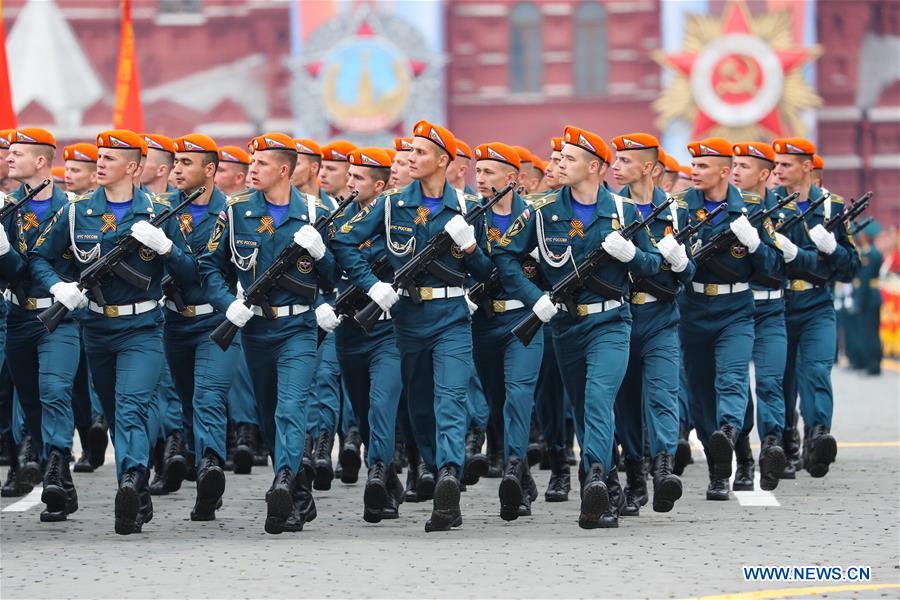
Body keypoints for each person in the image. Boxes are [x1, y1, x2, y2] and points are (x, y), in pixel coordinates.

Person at [494, 125, 661, 529]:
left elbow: (655, 264)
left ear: (595, 167)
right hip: (565, 325)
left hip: (611, 321)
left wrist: (632, 255)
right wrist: (533, 297)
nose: (561, 164)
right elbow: (505, 255)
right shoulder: (541, 210)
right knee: (585, 408)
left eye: (570, 159)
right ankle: (606, 480)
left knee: (599, 398)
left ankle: (596, 481)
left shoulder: (623, 211)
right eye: (561, 157)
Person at [332, 120, 494, 532]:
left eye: (421, 152)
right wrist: (372, 286)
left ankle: (448, 478)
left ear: (443, 160)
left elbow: (489, 272)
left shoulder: (469, 207)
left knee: (450, 398)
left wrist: (470, 247)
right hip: (408, 318)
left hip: (452, 316)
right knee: (420, 408)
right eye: (411, 152)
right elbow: (344, 241)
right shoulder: (391, 204)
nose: (411, 158)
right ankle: (438, 470)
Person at [31, 129, 184, 534]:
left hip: (143, 328)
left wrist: (167, 249)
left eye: (110, 158)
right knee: (116, 412)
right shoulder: (77, 211)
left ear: (133, 167)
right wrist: (59, 287)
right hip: (96, 327)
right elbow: (40, 258)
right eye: (99, 156)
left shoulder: (159, 211)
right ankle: (138, 489)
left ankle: (130, 482)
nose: (99, 163)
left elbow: (191, 273)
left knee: (131, 406)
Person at [199, 132, 336, 534]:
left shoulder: (315, 211)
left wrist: (321, 254)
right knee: (269, 413)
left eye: (261, 163)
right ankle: (297, 491)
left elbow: (333, 277)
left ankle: (283, 484)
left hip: (298, 327)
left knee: (290, 408)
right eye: (252, 162)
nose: (252, 169)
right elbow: (210, 266)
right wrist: (228, 303)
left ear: (284, 170)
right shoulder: (236, 211)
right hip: (255, 327)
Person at [678, 137, 780, 502]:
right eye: (694, 165)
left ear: (724, 171)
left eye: (703, 166)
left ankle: (732, 436)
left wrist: (755, 244)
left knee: (732, 378)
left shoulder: (750, 207)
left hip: (735, 307)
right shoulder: (679, 207)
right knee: (701, 393)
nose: (695, 171)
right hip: (692, 309)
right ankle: (721, 465)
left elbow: (774, 269)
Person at [159, 133, 245, 521]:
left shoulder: (234, 213)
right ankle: (200, 463)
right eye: (175, 162)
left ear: (209, 170)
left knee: (208, 396)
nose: (176, 169)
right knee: (186, 398)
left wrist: (168, 251)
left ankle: (210, 466)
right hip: (175, 321)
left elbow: (201, 269)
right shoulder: (162, 210)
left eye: (186, 163)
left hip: (216, 320)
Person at [610, 132, 690, 516]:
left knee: (662, 394)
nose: (615, 167)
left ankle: (662, 469)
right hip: (621, 318)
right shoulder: (610, 209)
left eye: (625, 160)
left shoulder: (675, 212)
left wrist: (681, 263)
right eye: (615, 159)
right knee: (625, 403)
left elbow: (688, 272)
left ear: (648, 167)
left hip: (660, 317)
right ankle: (634, 478)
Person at [3, 128, 82, 520]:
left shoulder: (73, 209)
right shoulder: (9, 207)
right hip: (20, 315)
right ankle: (60, 475)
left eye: (16, 153)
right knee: (31, 399)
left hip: (59, 317)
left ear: (40, 161)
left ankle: (56, 464)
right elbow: (12, 273)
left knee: (55, 389)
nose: (8, 158)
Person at [772, 137, 860, 478]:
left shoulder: (831, 207)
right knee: (781, 379)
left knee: (817, 370)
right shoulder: (769, 205)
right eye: (776, 164)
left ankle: (818, 437)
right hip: (780, 304)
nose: (778, 170)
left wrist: (834, 249)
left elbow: (850, 268)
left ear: (807, 167)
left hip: (817, 303)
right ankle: (786, 441)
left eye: (786, 164)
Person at [470, 142, 543, 520]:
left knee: (519, 393)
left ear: (512, 178)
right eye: (478, 171)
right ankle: (522, 473)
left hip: (524, 319)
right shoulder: (472, 217)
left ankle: (513, 467)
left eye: (488, 172)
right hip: (484, 321)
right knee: (497, 399)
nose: (480, 178)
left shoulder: (535, 217)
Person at [332, 146, 405, 522]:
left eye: (358, 178)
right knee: (362, 409)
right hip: (350, 329)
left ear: (380, 185)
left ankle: (377, 471)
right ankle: (387, 475)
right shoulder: (336, 219)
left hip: (388, 329)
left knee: (382, 404)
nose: (350, 183)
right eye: (349, 175)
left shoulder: (397, 219)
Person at [730, 141, 789, 491]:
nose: (736, 171)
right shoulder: (725, 209)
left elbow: (784, 265)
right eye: (734, 165)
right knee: (737, 386)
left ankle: (771, 450)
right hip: (737, 309)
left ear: (765, 174)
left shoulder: (784, 212)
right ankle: (743, 459)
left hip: (772, 309)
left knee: (770, 381)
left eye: (744, 166)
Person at [852, 220, 883, 375]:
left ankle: (872, 364)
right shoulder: (874, 252)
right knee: (872, 331)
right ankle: (873, 363)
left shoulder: (868, 254)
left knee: (868, 331)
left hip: (868, 297)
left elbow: (864, 280)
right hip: (873, 295)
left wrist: (858, 301)